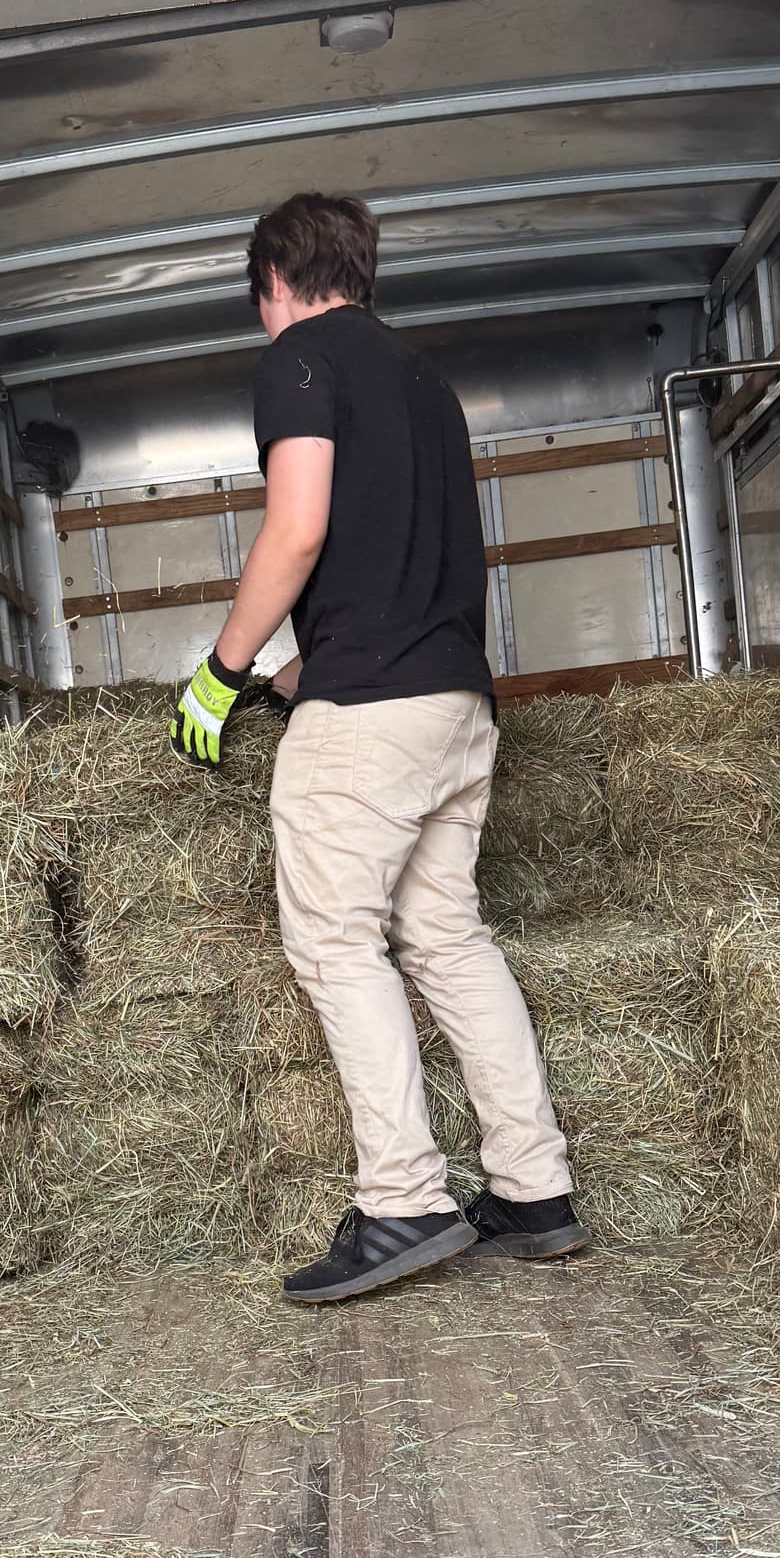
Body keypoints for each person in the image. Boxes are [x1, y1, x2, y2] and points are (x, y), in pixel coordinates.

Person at [169, 190, 587, 1305]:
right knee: (448, 936)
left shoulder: (300, 361)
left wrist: (219, 668)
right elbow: (391, 570)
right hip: (455, 705)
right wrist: (286, 674)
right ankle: (534, 1185)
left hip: (371, 720)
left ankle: (403, 1199)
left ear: (275, 285)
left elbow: (299, 527)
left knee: (335, 942)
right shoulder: (424, 382)